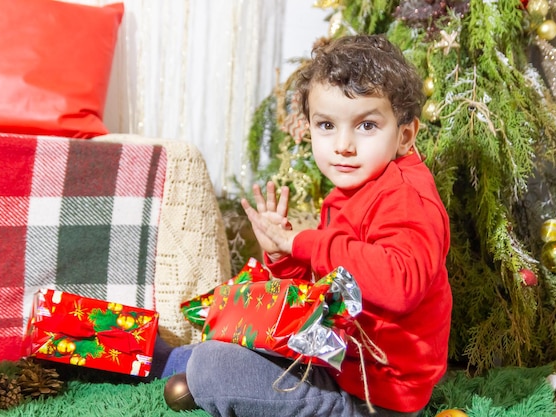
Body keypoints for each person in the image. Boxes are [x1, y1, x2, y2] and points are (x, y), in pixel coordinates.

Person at [161, 34, 452, 417]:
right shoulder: (354, 189)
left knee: (214, 366)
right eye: (327, 125)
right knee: (233, 329)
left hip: (375, 393)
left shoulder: (404, 195)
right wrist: (283, 254)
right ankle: (176, 360)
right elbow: (327, 285)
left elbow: (400, 282)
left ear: (405, 135)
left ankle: (324, 408)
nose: (343, 145)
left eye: (366, 126)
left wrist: (305, 242)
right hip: (336, 355)